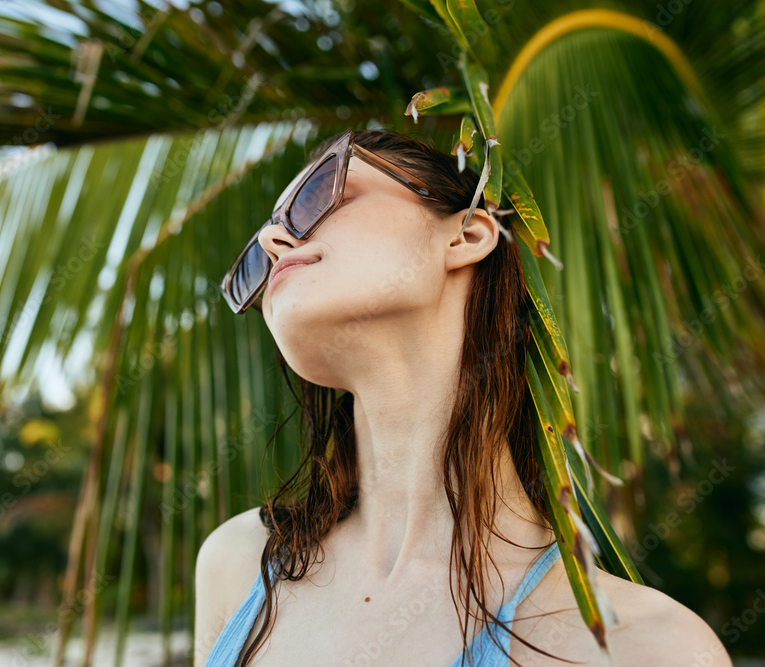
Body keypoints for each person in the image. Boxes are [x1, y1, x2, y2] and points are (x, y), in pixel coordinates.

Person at [194, 129, 730, 666]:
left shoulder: (647, 648)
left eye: (319, 196)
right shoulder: (236, 564)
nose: (272, 241)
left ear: (467, 236)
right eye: (259, 253)